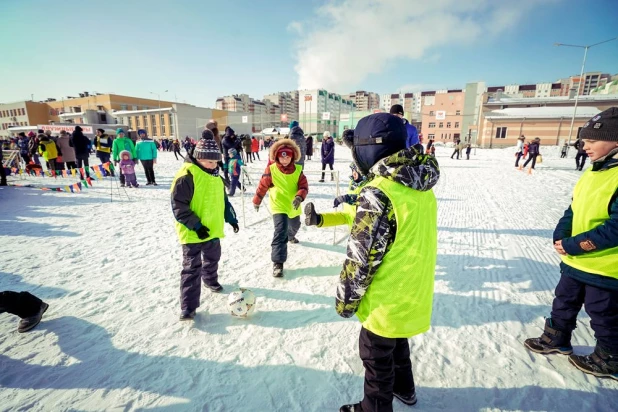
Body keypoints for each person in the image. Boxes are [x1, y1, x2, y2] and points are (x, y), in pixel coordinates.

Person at [336, 113, 440, 411]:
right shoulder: (420, 184)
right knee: (397, 345)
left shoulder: (379, 193)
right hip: (412, 291)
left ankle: (374, 408)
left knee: (375, 357)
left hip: (385, 298)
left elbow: (362, 256)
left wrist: (346, 300)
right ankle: (405, 389)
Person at [524, 107, 618, 381]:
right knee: (564, 300)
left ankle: (610, 357)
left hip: (606, 266)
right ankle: (556, 337)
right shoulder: (594, 171)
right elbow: (574, 208)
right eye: (583, 141)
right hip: (576, 261)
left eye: (592, 141)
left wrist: (577, 245)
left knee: (602, 312)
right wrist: (561, 234)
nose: (584, 146)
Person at [170, 131, 239, 320]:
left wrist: (232, 219)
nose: (213, 165)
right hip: (193, 231)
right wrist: (196, 226)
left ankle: (210, 280)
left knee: (213, 258)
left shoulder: (216, 176)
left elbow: (223, 201)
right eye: (209, 162)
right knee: (192, 267)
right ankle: (188, 307)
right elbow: (179, 206)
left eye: (216, 161)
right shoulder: (187, 176)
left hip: (213, 229)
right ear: (199, 158)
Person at [253, 139, 308, 277]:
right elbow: (262, 185)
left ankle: (291, 236)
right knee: (280, 231)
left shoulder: (298, 171)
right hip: (278, 205)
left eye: (287, 157)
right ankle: (278, 263)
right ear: (276, 156)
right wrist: (257, 200)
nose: (284, 160)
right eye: (282, 157)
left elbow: (303, 187)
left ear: (292, 157)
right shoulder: (271, 170)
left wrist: (299, 197)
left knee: (295, 225)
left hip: (293, 205)